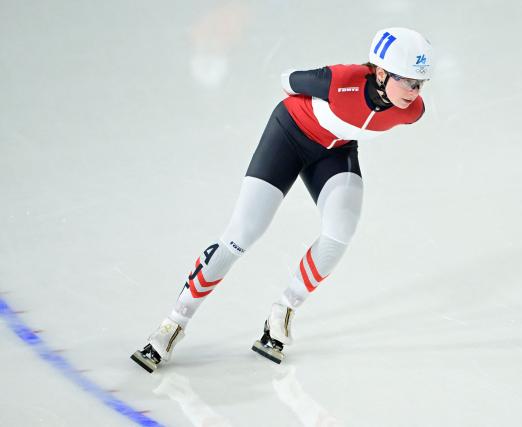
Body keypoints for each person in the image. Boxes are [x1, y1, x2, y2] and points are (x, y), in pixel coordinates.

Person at [131, 27, 433, 372]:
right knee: (243, 232)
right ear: (380, 73)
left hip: (335, 149)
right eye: (408, 81)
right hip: (289, 135)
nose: (415, 91)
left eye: (421, 83)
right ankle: (174, 322)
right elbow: (288, 81)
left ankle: (284, 310)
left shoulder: (412, 110)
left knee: (341, 231)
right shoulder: (340, 80)